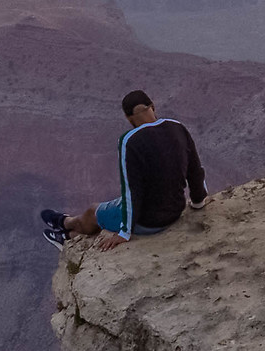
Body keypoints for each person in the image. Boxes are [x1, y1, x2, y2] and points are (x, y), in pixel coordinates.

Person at [40, 89, 205, 251]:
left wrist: (125, 233)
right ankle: (67, 234)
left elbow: (131, 190)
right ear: (153, 106)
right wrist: (198, 201)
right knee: (109, 209)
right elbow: (195, 169)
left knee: (93, 211)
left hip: (148, 222)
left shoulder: (129, 141)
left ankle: (66, 225)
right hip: (175, 211)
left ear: (128, 117)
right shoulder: (177, 127)